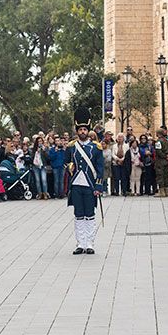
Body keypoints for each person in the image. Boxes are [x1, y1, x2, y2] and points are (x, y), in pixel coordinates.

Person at [65, 107, 104, 255]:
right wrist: (69, 165)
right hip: (76, 184)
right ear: (77, 130)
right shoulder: (71, 147)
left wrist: (98, 186)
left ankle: (90, 243)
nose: (82, 131)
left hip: (90, 184)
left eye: (84, 129)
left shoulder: (96, 148)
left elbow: (100, 168)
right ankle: (80, 243)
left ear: (88, 130)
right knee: (78, 214)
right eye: (80, 129)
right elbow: (65, 162)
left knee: (90, 214)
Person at [154, 129, 168, 197]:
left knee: (160, 175)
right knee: (165, 176)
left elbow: (158, 151)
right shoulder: (167, 141)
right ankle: (167, 191)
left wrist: (164, 156)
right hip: (166, 161)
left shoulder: (158, 141)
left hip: (160, 161)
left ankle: (162, 192)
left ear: (158, 134)